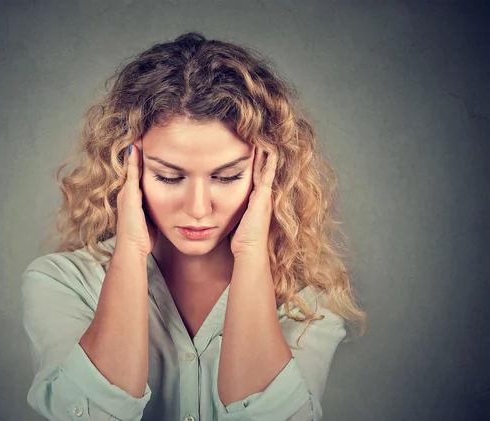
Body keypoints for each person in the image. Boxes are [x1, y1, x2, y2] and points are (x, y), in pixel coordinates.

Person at [20, 32, 367, 421]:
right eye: (169, 177)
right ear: (124, 170)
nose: (199, 208)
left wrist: (252, 252)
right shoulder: (60, 282)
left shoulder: (309, 302)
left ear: (267, 173)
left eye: (228, 177)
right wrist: (131, 250)